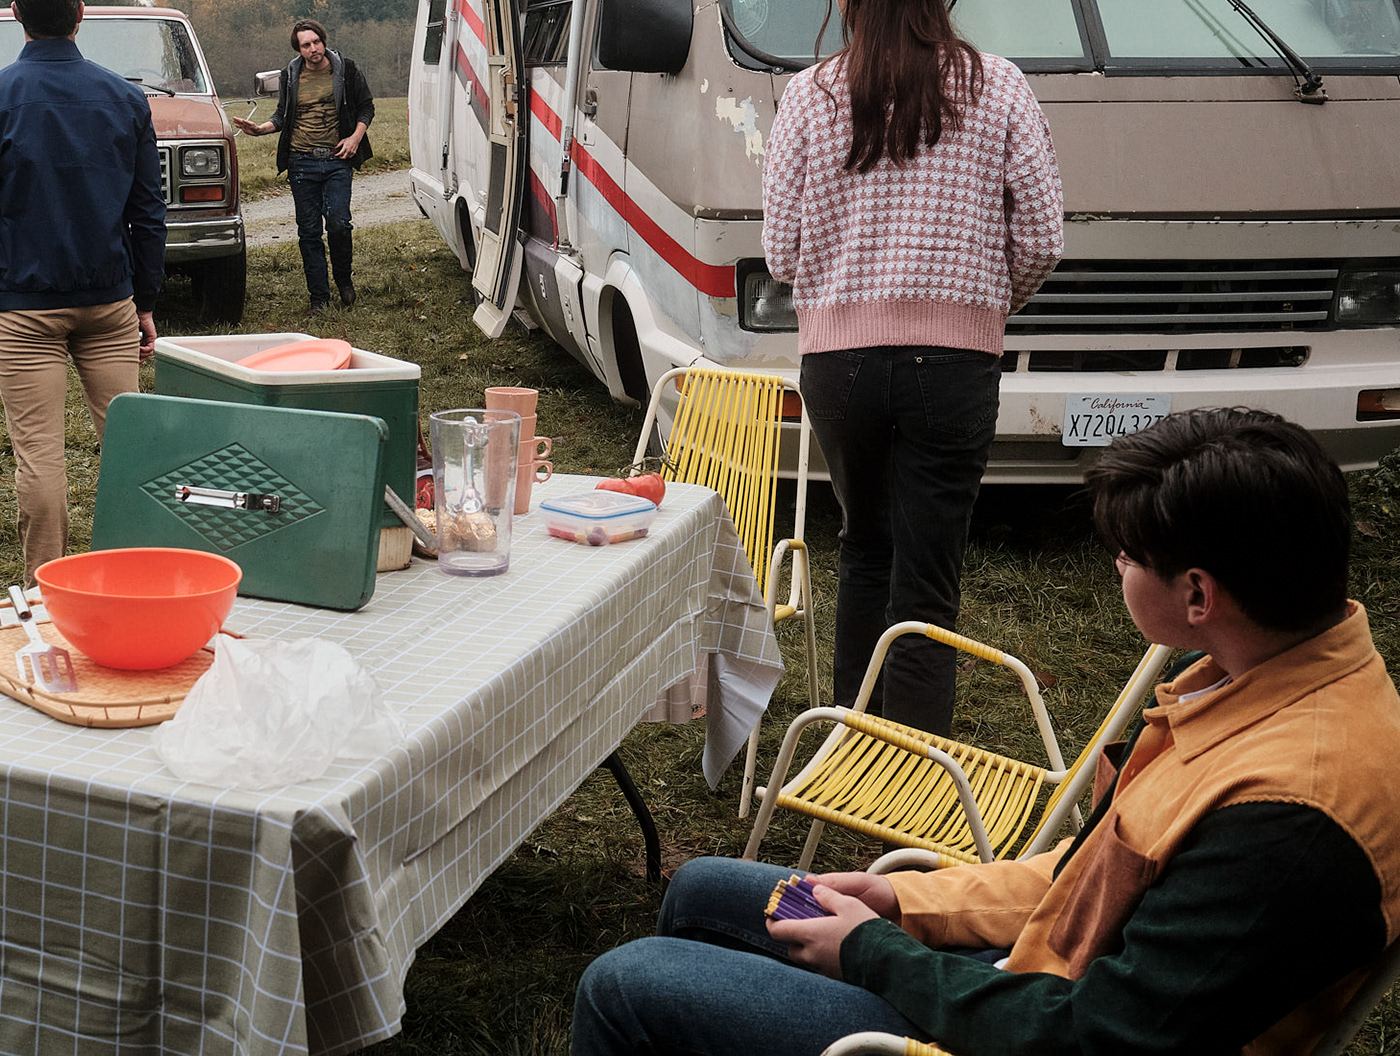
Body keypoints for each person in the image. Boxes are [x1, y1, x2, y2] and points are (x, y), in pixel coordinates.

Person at [574, 407, 1400, 1056]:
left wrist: (876, 953)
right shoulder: (1256, 679)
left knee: (625, 984)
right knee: (703, 889)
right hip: (1037, 978)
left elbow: (1100, 1037)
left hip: (1037, 1027)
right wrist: (904, 899)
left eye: (1124, 555)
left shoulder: (1291, 818)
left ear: (1197, 595)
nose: (1115, 567)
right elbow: (1087, 882)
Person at [761, 0, 1066, 737]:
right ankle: (916, 767)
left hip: (840, 365)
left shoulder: (809, 96)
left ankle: (851, 751)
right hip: (957, 364)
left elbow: (782, 252)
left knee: (864, 549)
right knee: (929, 578)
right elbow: (1042, 238)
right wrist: (980, 301)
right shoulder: (999, 85)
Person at [0, 0, 167, 584]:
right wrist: (146, 301)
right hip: (109, 302)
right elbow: (148, 213)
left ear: (16, 14)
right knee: (131, 449)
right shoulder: (125, 99)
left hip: (22, 309)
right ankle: (141, 579)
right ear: (81, 12)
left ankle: (47, 592)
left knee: (39, 456)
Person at [231, 19, 375, 311]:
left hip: (337, 159)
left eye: (316, 42)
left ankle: (344, 282)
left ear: (323, 41)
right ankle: (319, 298)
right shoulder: (291, 75)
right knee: (308, 231)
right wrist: (260, 130)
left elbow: (366, 107)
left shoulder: (346, 69)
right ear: (298, 49)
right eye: (306, 45)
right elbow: (282, 116)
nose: (313, 49)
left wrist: (355, 138)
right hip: (301, 162)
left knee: (338, 224)